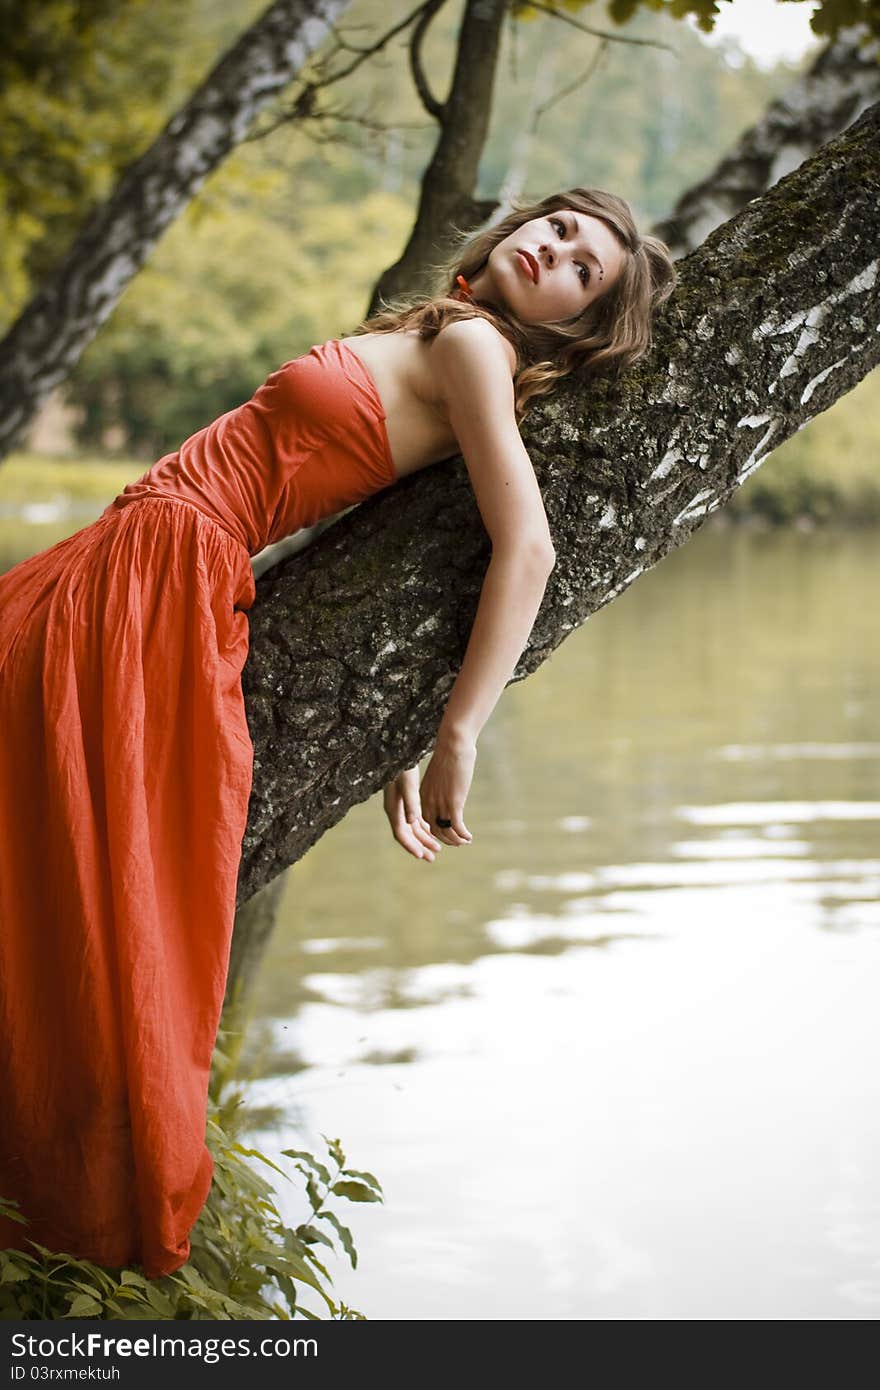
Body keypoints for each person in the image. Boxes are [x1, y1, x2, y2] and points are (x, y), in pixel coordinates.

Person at [0, 188, 675, 1278]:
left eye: (582, 268)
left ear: (573, 325)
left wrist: (458, 732)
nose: (552, 249)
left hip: (166, 569)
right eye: (555, 227)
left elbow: (530, 549)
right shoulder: (437, 331)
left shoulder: (472, 347)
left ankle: (69, 1189)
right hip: (131, 552)